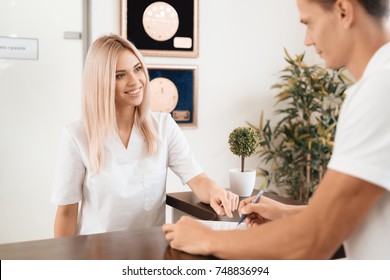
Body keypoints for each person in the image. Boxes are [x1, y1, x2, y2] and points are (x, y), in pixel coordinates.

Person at [163, 0, 390, 259]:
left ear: (343, 11)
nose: (306, 40)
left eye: (309, 23)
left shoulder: (379, 90)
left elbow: (313, 239)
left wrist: (207, 238)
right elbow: (355, 211)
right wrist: (286, 213)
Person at [51, 34, 239, 237]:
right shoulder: (77, 135)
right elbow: (66, 214)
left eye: (137, 69)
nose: (135, 81)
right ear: (101, 83)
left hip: (150, 253)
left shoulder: (163, 126)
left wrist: (216, 192)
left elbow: (198, 178)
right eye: (120, 75)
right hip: (97, 256)